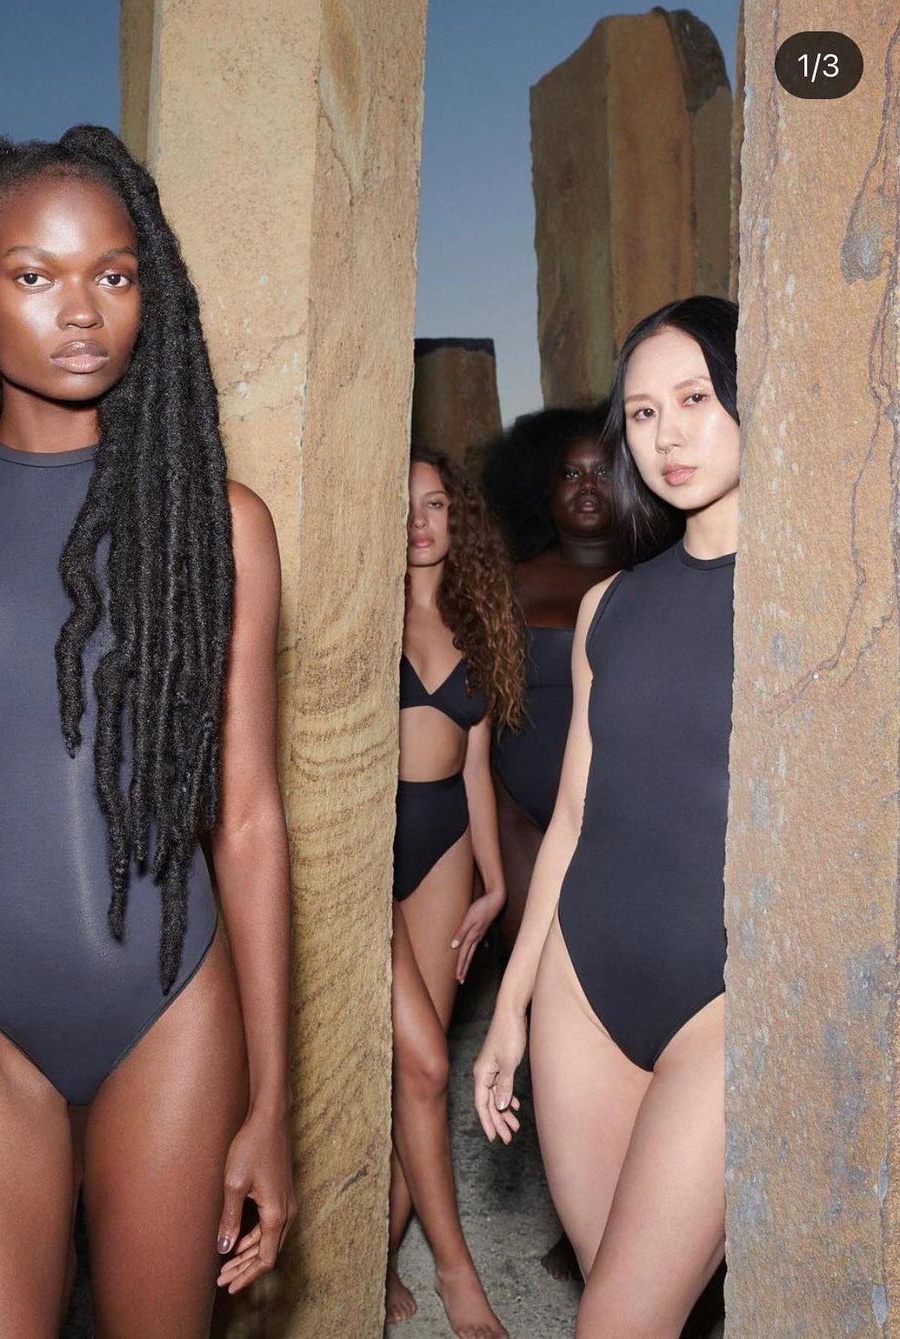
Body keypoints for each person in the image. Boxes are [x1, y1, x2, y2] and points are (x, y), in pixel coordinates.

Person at [0, 126, 295, 1337]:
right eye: (35, 275)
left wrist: (273, 1103)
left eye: (114, 274)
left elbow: (248, 818)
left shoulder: (217, 525)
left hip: (168, 1015)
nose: (82, 310)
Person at [473, 296, 738, 1338]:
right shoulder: (608, 607)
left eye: (696, 398)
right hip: (584, 992)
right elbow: (575, 817)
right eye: (642, 413)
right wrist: (512, 1006)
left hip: (727, 1001)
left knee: (618, 1320)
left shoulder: (821, 605)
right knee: (624, 1303)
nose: (668, 434)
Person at [387, 451, 525, 1338]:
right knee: (428, 1063)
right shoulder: (370, 606)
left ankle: (377, 1244)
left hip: (443, 846)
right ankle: (454, 1268)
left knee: (419, 1065)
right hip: (370, 844)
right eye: (405, 505)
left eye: (435, 503)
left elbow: (475, 767)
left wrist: (495, 879)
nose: (420, 521)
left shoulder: (476, 619)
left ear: (456, 517)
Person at [481, 408, 620, 951]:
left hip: (619, 814)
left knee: (603, 966)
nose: (587, 486)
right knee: (528, 967)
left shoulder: (653, 577)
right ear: (544, 487)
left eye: (603, 471)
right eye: (570, 473)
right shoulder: (508, 581)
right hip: (518, 816)